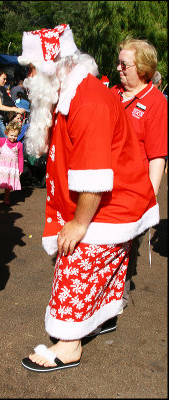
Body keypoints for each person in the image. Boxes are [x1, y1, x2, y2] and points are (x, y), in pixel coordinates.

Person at [17, 24, 159, 372]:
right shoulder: (74, 93)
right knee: (100, 268)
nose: (27, 77)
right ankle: (101, 316)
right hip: (114, 202)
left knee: (75, 267)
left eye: (31, 68)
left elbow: (94, 175)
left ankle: (68, 344)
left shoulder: (88, 99)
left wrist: (79, 224)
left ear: (52, 65)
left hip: (112, 207)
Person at [110, 38, 168, 311]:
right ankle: (100, 288)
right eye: (119, 62)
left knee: (126, 243)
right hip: (103, 184)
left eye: (125, 64)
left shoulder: (155, 102)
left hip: (133, 189)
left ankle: (118, 293)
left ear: (142, 69)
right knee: (103, 240)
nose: (119, 68)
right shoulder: (111, 94)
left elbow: (157, 154)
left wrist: (151, 196)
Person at [0, 120, 23, 205]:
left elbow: (21, 157)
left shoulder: (19, 145)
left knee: (8, 184)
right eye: (11, 135)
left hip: (11, 167)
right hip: (1, 166)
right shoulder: (3, 141)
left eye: (15, 136)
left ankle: (6, 198)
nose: (13, 137)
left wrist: (20, 168)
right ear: (6, 133)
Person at [0, 69, 25, 138]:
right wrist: (14, 109)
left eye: (6, 79)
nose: (5, 81)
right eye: (3, 79)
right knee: (6, 142)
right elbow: (0, 107)